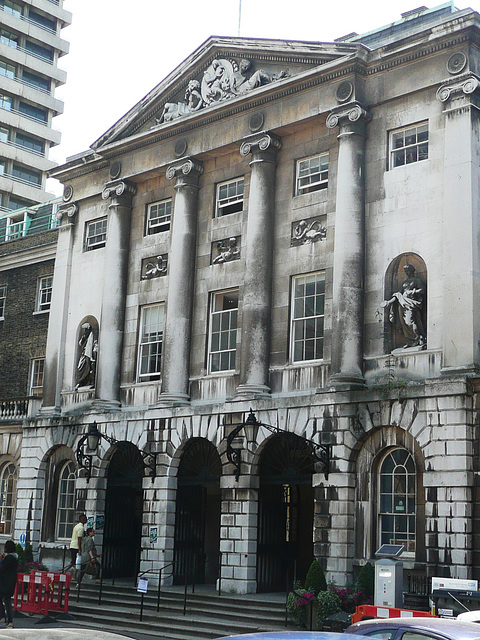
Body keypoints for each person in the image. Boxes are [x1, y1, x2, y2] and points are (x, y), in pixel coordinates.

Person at [381, 263, 426, 348]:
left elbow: (422, 290)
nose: (407, 272)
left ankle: (418, 338)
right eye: (406, 271)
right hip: (402, 303)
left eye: (408, 270)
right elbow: (398, 294)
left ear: (412, 271)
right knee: (404, 323)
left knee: (409, 322)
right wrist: (389, 302)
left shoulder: (416, 280)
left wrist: (413, 292)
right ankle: (410, 341)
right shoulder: (405, 283)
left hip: (411, 303)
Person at [62, 513, 87, 580]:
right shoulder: (81, 528)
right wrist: (80, 549)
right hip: (76, 546)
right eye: (85, 519)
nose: (87, 520)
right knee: (77, 562)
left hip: (72, 545)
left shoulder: (76, 526)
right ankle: (73, 575)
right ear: (83, 519)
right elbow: (79, 539)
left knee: (74, 561)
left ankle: (66, 570)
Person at [0, 540, 18, 629]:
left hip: (5, 583)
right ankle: (4, 618)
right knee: (6, 600)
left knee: (6, 601)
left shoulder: (9, 558)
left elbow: (2, 568)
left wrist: (1, 560)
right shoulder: (14, 557)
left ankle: (7, 619)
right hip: (10, 582)